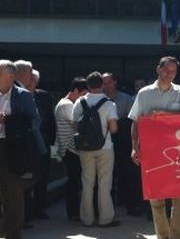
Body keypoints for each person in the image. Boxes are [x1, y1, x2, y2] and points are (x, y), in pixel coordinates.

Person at [129, 56, 180, 239]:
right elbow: (135, 122)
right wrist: (135, 146)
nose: (170, 74)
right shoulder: (144, 93)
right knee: (156, 198)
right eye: (167, 70)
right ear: (158, 69)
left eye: (173, 71)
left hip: (178, 149)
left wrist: (165, 114)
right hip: (153, 150)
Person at [0, 59, 45, 239]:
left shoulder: (24, 96)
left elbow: (35, 121)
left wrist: (10, 123)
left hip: (14, 149)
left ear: (10, 77)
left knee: (13, 197)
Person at [73, 71, 119, 228]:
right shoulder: (109, 103)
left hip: (85, 148)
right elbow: (113, 129)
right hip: (105, 147)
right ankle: (105, 218)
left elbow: (75, 126)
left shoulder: (79, 102)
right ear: (102, 85)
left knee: (87, 183)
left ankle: (87, 219)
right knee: (104, 184)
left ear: (88, 85)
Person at [101, 72, 139, 215]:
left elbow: (131, 121)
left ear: (115, 82)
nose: (106, 86)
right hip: (104, 140)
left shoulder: (126, 98)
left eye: (109, 82)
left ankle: (130, 203)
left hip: (122, 140)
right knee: (107, 174)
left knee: (127, 172)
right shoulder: (101, 98)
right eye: (104, 83)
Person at [55, 77, 88, 221]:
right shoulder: (66, 105)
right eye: (83, 94)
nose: (84, 98)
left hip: (70, 149)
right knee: (74, 183)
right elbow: (77, 124)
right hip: (70, 149)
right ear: (75, 90)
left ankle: (74, 212)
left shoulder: (65, 103)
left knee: (74, 182)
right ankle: (73, 212)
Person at [28, 69, 56, 220]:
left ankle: (39, 208)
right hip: (26, 141)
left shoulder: (44, 96)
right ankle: (27, 210)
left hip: (43, 140)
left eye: (33, 79)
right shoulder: (19, 95)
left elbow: (51, 120)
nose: (30, 82)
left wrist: (51, 142)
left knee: (42, 176)